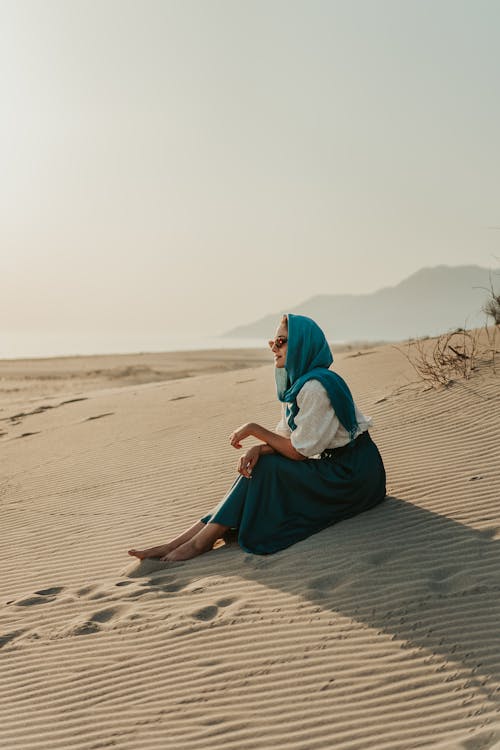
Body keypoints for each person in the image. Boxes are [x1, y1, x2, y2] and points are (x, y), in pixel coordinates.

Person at [128, 313, 386, 562]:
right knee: (259, 467)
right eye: (272, 342)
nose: (274, 348)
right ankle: (186, 539)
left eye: (281, 342)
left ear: (301, 345)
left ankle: (200, 542)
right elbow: (287, 438)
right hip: (336, 469)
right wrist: (260, 448)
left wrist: (254, 430)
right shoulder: (299, 386)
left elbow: (298, 452)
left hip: (354, 476)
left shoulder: (316, 388)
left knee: (266, 469)